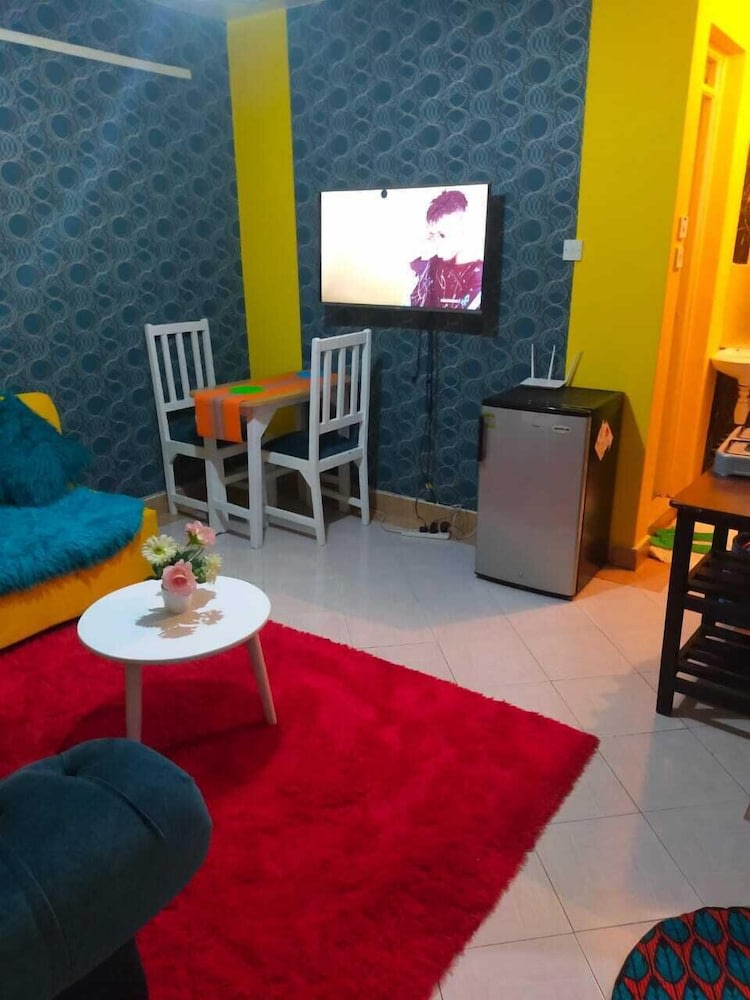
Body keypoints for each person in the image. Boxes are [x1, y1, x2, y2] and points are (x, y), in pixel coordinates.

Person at [409, 189, 484, 311]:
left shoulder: (478, 272)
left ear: (462, 231)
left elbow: (460, 316)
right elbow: (414, 307)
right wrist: (424, 260)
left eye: (442, 235)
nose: (436, 242)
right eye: (432, 234)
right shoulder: (432, 264)